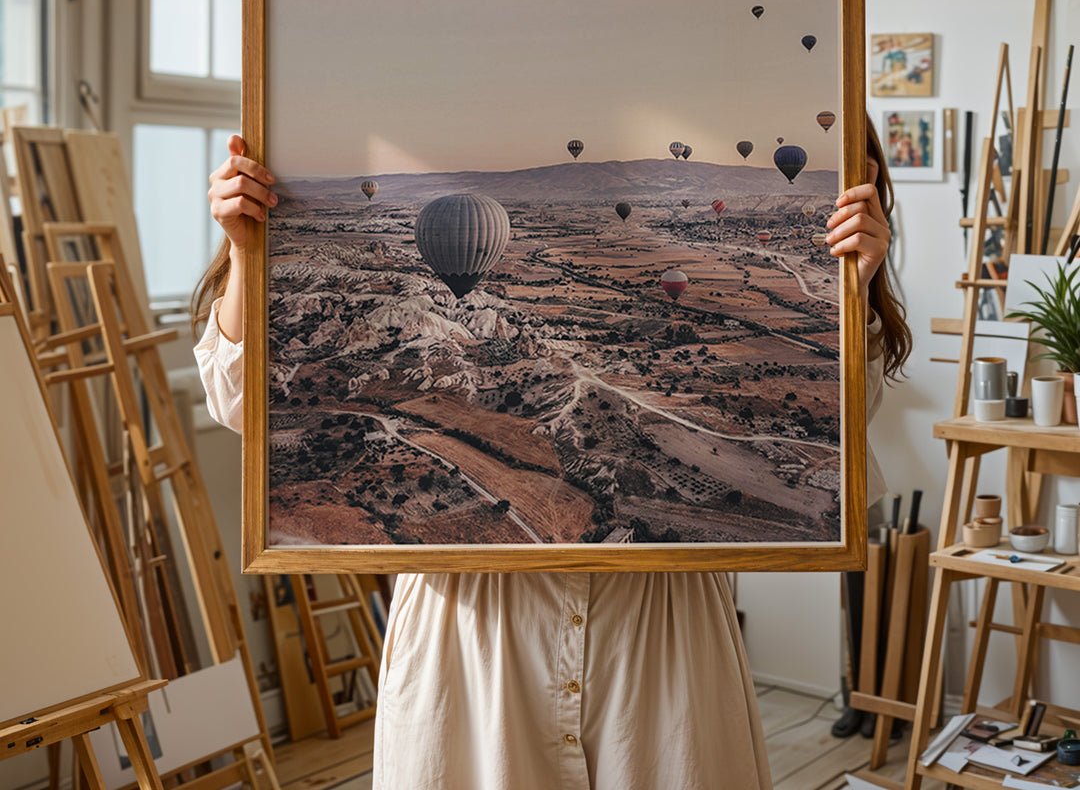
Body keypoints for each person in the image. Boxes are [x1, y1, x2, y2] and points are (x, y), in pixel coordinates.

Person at [194, 128, 910, 790]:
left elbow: (840, 424)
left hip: (663, 627)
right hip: (471, 631)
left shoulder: (824, 288)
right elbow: (239, 407)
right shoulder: (288, 266)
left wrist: (855, 287)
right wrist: (249, 254)